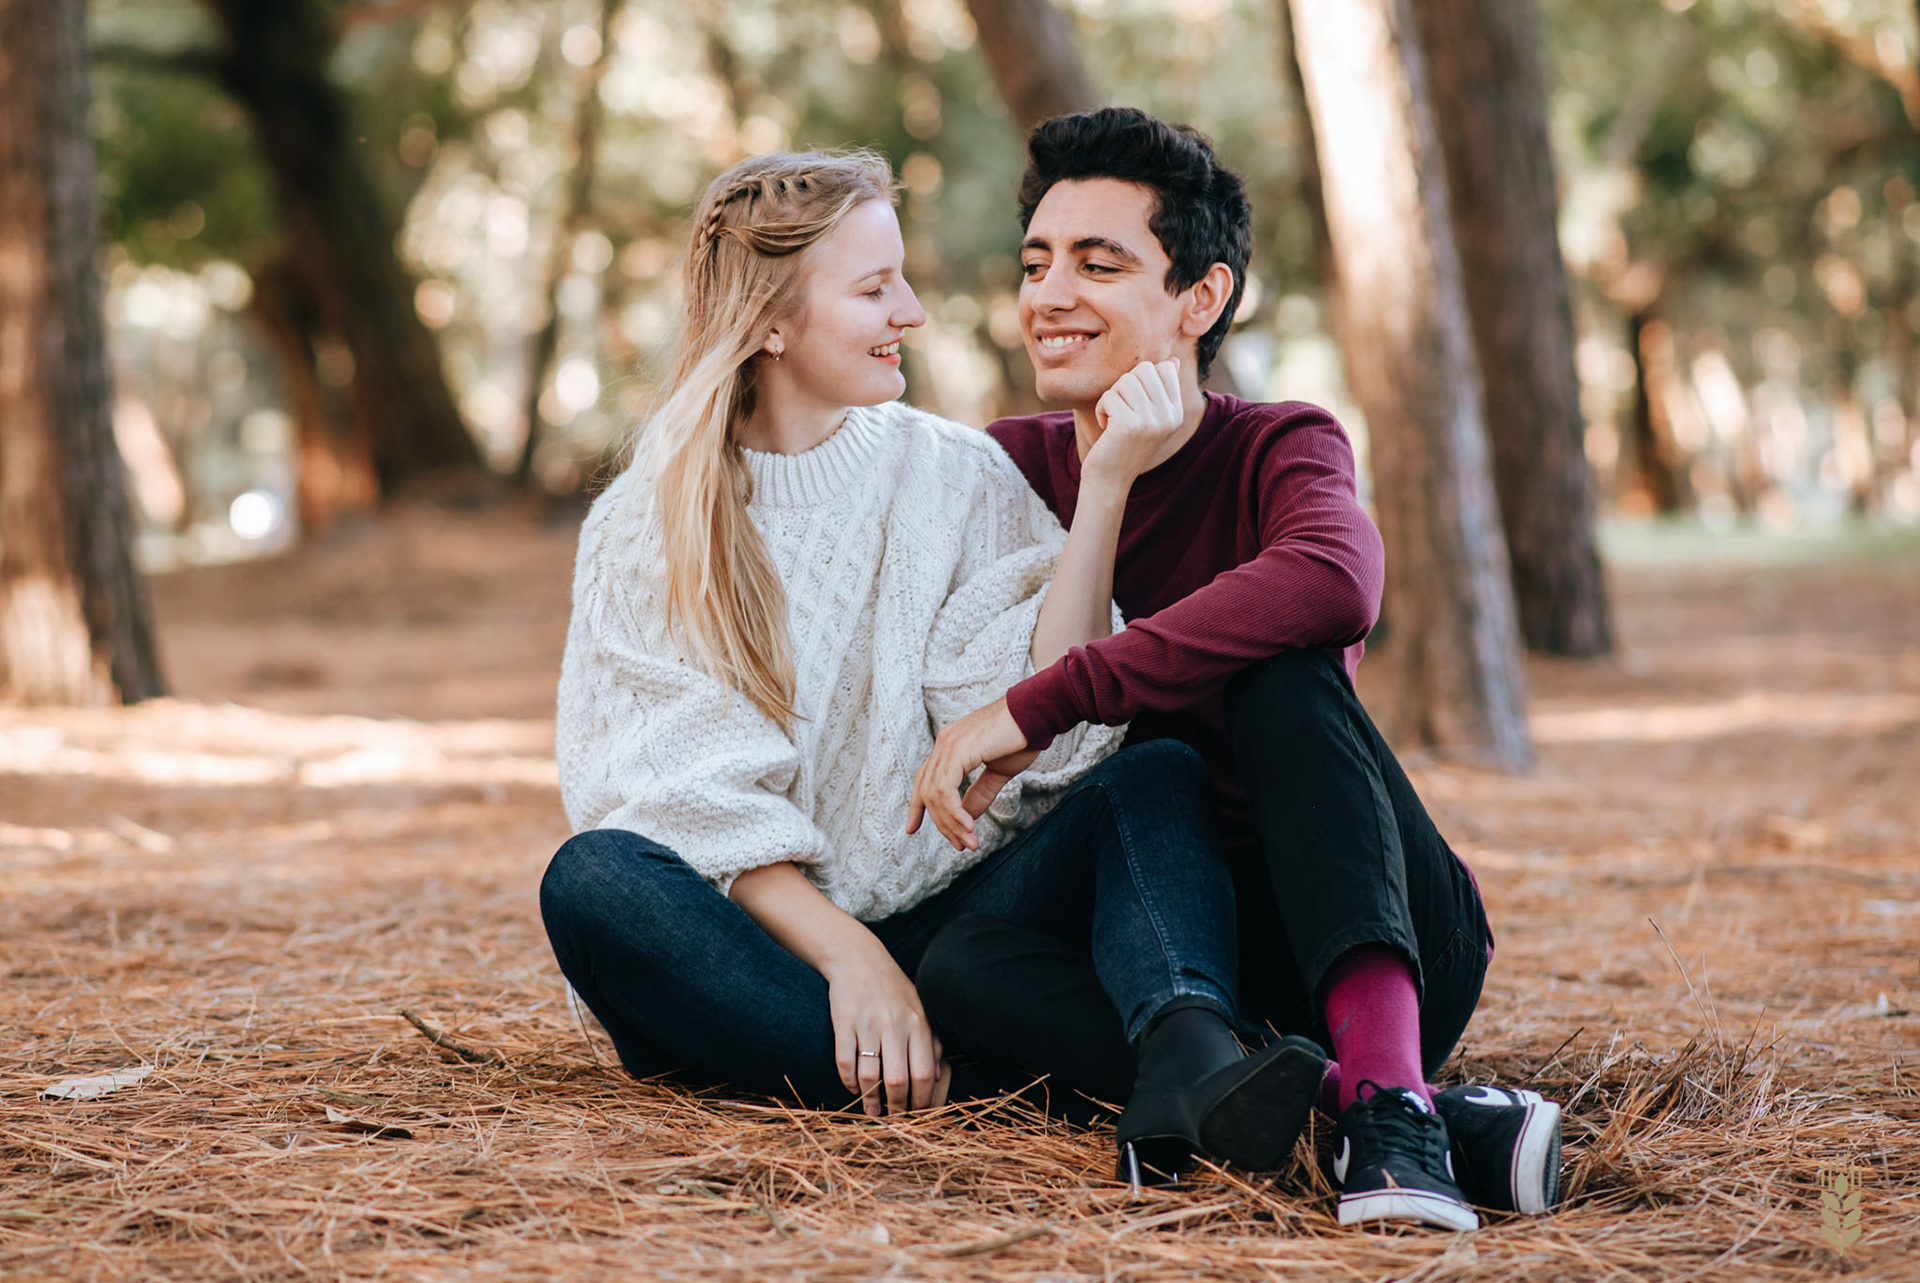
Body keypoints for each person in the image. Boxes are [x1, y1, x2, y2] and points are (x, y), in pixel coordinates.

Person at [539, 150, 1327, 1179]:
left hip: (960, 926)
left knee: (1154, 772)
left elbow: (1058, 736)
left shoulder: (954, 471)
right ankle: (971, 1066)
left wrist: (1105, 488)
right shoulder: (646, 521)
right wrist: (852, 958)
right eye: (875, 290)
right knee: (593, 878)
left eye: (902, 280)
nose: (910, 312)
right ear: (772, 322)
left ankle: (1190, 1057)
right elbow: (685, 802)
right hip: (771, 961)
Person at [908, 109, 1564, 1231]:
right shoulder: (1001, 467)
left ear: (1200, 298)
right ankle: (1373, 1106)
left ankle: (1393, 1099)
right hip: (1152, 957)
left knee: (1281, 674)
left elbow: (1332, 580)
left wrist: (1042, 701)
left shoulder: (1278, 445)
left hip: (1360, 919)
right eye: (1035, 262)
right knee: (963, 963)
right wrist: (1103, 482)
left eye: (1098, 264)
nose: (1049, 294)